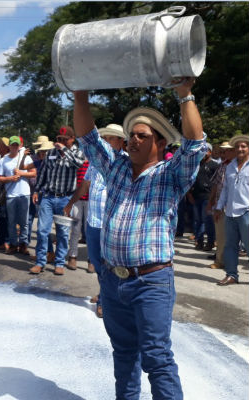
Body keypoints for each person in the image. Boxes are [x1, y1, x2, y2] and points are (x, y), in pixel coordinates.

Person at [73, 78, 206, 400]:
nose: (132, 140)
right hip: (112, 280)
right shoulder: (116, 168)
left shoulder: (171, 175)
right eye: (131, 135)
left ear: (159, 142)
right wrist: (80, 92)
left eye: (141, 136)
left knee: (156, 358)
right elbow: (88, 138)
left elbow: (195, 144)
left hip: (151, 281)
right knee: (123, 354)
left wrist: (185, 95)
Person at [66, 123, 127, 318]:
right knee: (98, 263)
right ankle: (105, 293)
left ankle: (105, 302)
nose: (107, 142)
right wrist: (70, 203)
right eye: (105, 138)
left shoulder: (127, 162)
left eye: (111, 138)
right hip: (93, 221)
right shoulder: (95, 162)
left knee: (110, 265)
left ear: (120, 141)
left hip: (112, 225)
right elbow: (85, 185)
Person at [30, 126, 86, 275]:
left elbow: (78, 164)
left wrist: (64, 150)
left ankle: (59, 262)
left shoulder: (77, 153)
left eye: (64, 139)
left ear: (72, 139)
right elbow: (43, 173)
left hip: (65, 199)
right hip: (48, 196)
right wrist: (37, 190)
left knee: (62, 232)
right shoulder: (51, 153)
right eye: (58, 139)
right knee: (42, 231)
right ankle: (40, 262)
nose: (60, 142)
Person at [214, 134, 249, 285]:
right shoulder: (230, 166)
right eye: (238, 147)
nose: (240, 149)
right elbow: (225, 190)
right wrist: (218, 206)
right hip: (230, 212)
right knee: (230, 246)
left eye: (244, 146)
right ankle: (232, 275)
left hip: (247, 211)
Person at [0, 136, 35, 255]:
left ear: (19, 146)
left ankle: (23, 244)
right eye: (12, 145)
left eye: (16, 145)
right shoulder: (3, 160)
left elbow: (33, 173)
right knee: (11, 222)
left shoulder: (26, 158)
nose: (14, 147)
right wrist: (10, 178)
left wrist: (21, 173)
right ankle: (13, 244)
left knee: (24, 222)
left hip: (24, 194)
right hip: (11, 195)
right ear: (9, 146)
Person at [207, 141, 235, 269]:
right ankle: (220, 261)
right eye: (223, 151)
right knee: (221, 235)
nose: (225, 153)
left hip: (238, 207)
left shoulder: (243, 166)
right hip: (221, 206)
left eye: (228, 150)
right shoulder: (222, 166)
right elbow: (215, 185)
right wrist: (211, 202)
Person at [63, 159, 89, 270]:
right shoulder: (78, 161)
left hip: (92, 200)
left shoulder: (96, 161)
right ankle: (72, 256)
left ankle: (91, 259)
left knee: (90, 231)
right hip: (77, 199)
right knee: (75, 230)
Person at [0, 138, 10, 249]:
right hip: (0, 191)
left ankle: (5, 240)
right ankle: (1, 238)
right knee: (1, 215)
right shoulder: (0, 158)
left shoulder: (7, 159)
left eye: (0, 145)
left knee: (5, 216)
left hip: (6, 191)